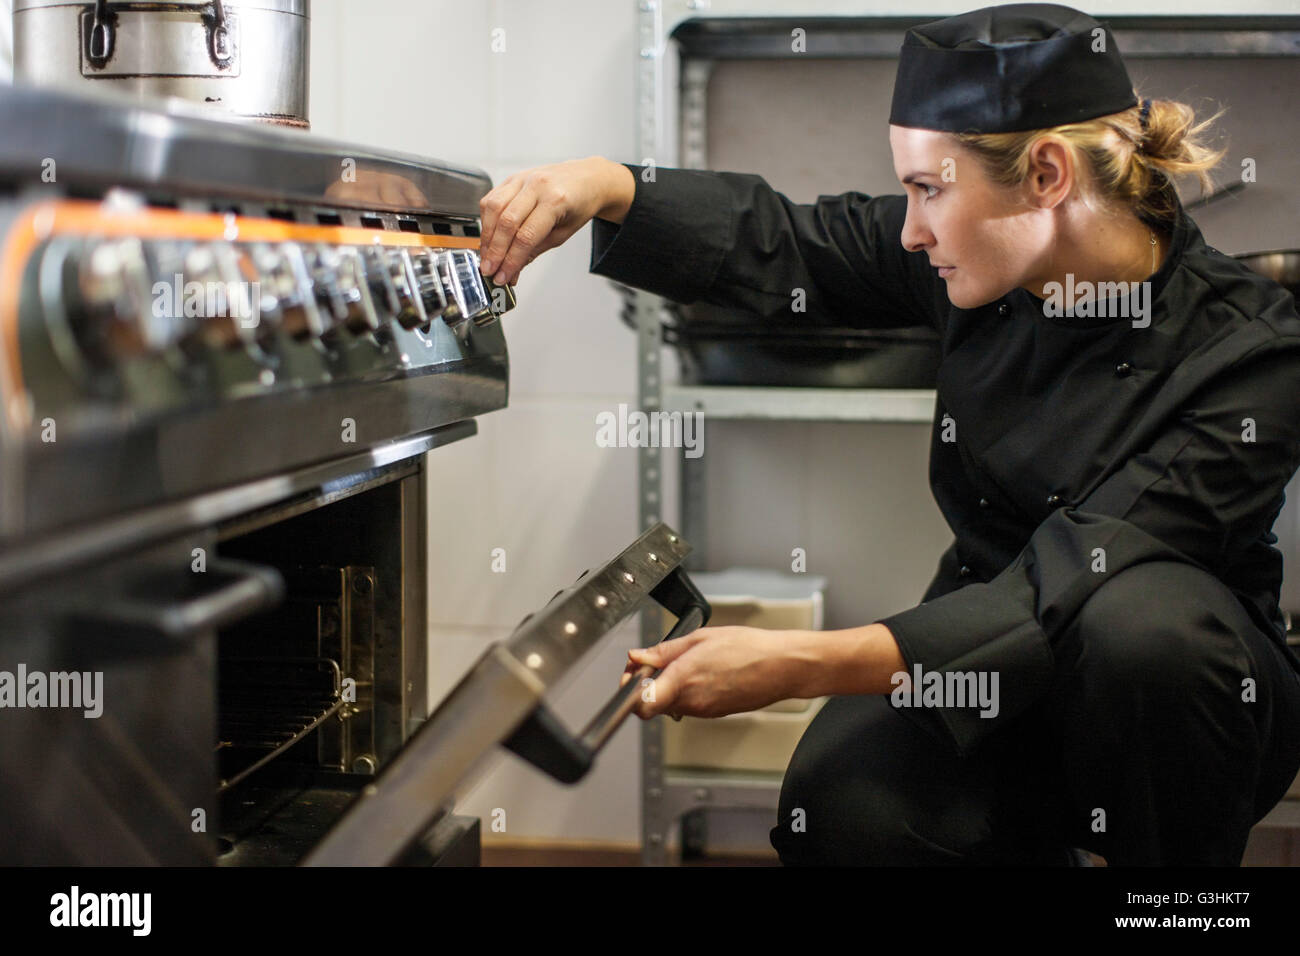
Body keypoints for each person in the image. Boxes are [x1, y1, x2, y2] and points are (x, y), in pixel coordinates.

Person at [477, 3, 1300, 866]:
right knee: (845, 809)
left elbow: (1075, 581)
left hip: (1173, 704)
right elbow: (791, 243)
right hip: (979, 658)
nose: (911, 230)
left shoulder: (1253, 353)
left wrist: (800, 663)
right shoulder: (980, 265)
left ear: (1048, 174)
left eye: (928, 189)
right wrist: (610, 186)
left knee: (1144, 631)